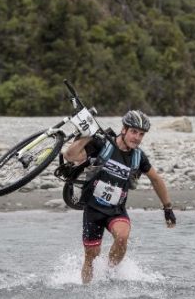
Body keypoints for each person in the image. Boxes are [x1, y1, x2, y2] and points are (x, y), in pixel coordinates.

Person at [63, 110, 176, 284]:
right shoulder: (103, 145)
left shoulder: (138, 157)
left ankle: (108, 274)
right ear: (123, 129)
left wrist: (167, 208)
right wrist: (88, 134)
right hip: (92, 210)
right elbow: (70, 156)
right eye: (134, 132)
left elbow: (156, 179)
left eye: (141, 134)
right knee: (91, 258)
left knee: (122, 237)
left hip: (116, 211)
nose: (137, 137)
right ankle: (86, 291)